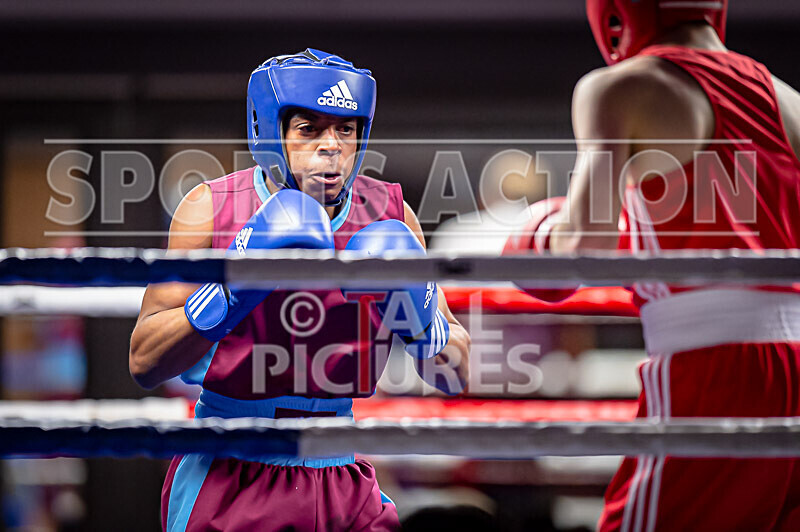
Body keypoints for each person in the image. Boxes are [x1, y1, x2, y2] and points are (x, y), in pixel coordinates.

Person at [128, 49, 470, 532]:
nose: (331, 147)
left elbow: (455, 376)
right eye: (309, 130)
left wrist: (421, 324)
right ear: (270, 135)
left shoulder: (391, 216)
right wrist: (228, 292)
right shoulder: (210, 209)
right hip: (232, 471)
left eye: (345, 130)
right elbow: (144, 362)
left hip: (342, 474)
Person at [507, 1, 800, 530]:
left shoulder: (621, 86)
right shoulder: (791, 100)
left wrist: (539, 237)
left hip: (716, 372)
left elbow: (583, 248)